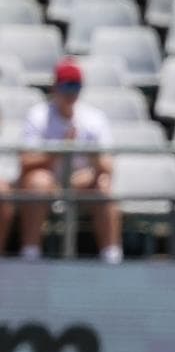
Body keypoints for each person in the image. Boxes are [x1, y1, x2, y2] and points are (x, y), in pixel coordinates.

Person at [16, 57, 119, 263]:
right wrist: (60, 149)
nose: (70, 93)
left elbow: (108, 166)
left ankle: (112, 257)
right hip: (49, 183)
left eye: (75, 87)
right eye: (65, 86)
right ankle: (30, 254)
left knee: (103, 185)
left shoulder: (94, 118)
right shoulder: (38, 115)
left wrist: (92, 157)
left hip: (83, 183)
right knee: (38, 182)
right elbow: (25, 161)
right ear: (55, 87)